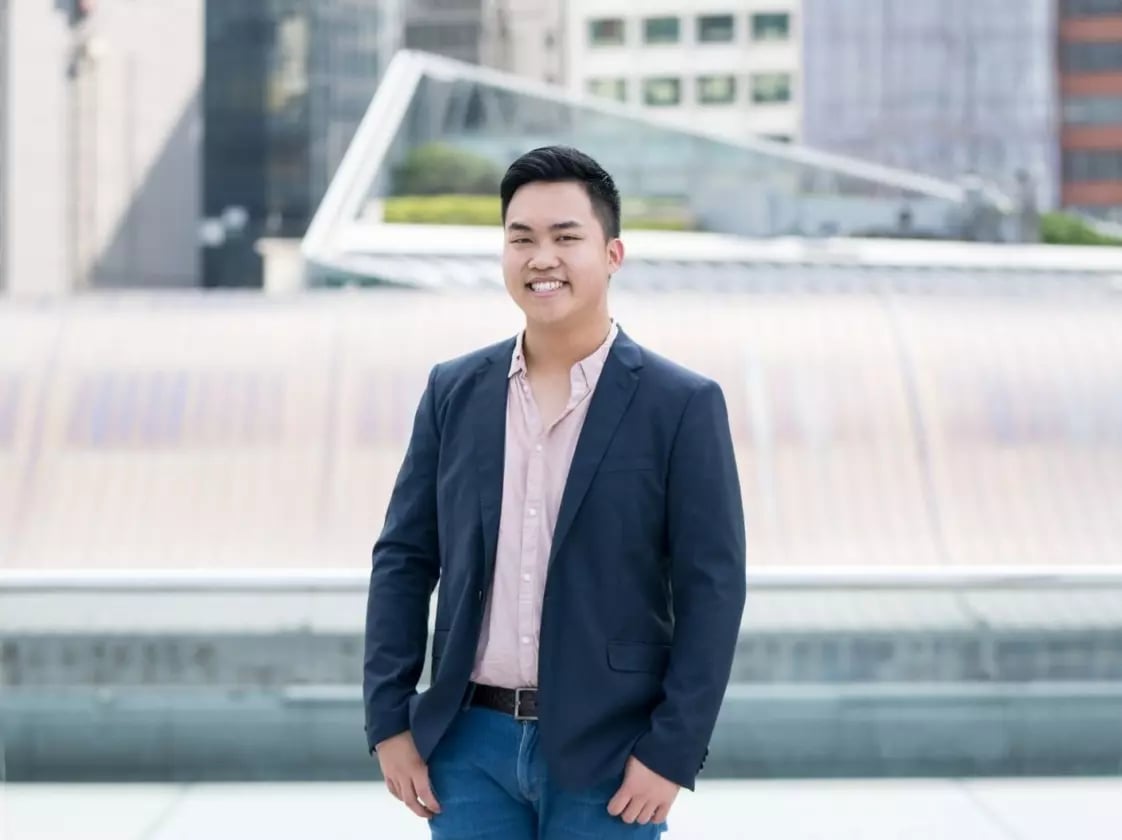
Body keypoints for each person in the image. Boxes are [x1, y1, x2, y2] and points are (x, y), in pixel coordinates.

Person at [363, 145, 746, 839]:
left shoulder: (680, 404)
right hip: (466, 749)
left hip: (613, 751)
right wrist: (388, 719)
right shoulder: (455, 391)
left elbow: (712, 589)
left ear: (612, 255)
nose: (542, 258)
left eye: (567, 238)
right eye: (522, 239)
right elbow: (403, 558)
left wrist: (671, 751)